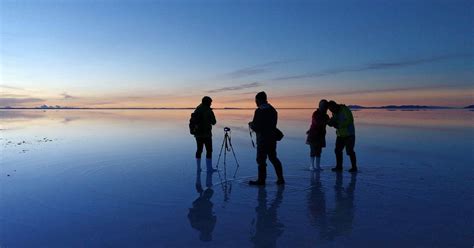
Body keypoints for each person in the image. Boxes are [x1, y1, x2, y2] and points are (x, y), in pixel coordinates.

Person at [248, 91, 285, 185]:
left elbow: (257, 127)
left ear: (260, 100)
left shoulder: (259, 111)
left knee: (261, 160)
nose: (255, 103)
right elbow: (271, 125)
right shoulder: (273, 110)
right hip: (272, 139)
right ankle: (280, 179)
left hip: (262, 140)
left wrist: (251, 125)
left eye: (256, 101)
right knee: (273, 158)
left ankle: (261, 180)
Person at [327, 100, 358, 172]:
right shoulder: (334, 112)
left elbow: (350, 120)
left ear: (335, 105)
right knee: (337, 150)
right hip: (340, 135)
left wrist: (339, 125)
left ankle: (354, 167)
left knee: (350, 151)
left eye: (332, 109)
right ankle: (339, 167)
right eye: (330, 109)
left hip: (349, 134)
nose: (331, 110)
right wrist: (330, 122)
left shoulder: (345, 109)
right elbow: (334, 119)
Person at [192, 96, 217, 172]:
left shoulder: (197, 109)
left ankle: (198, 168)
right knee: (209, 150)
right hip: (206, 134)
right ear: (207, 102)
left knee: (199, 150)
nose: (211, 104)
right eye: (210, 102)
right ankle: (209, 168)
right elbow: (214, 122)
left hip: (198, 134)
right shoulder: (208, 110)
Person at [306, 99, 330, 171]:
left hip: (321, 135)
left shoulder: (326, 115)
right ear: (319, 106)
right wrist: (326, 121)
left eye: (325, 106)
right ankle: (312, 166)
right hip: (313, 135)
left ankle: (318, 166)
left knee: (319, 151)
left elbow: (329, 123)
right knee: (313, 150)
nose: (323, 107)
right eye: (322, 106)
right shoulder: (315, 113)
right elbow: (316, 122)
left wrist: (332, 122)